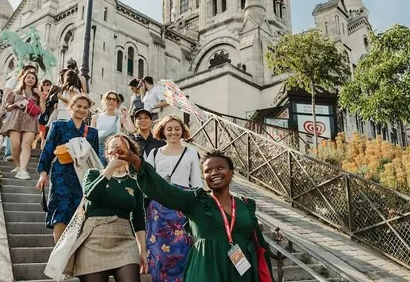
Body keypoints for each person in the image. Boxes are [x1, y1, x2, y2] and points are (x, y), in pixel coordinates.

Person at [113, 148, 274, 282]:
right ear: (203, 177)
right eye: (208, 171)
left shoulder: (246, 205)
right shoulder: (195, 200)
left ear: (231, 173)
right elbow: (164, 190)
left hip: (242, 272)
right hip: (206, 270)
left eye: (220, 168)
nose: (214, 173)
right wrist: (136, 161)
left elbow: (260, 245)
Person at [67, 135, 147, 282]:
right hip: (94, 238)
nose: (117, 150)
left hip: (125, 240)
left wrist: (143, 251)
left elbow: (138, 218)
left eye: (122, 147)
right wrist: (111, 168)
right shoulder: (93, 174)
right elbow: (91, 195)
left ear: (130, 153)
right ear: (107, 152)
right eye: (114, 147)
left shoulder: (135, 183)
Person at [37, 94, 103, 241]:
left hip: (82, 177)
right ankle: (59, 251)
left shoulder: (92, 132)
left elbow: (94, 159)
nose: (81, 109)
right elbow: (48, 150)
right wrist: (43, 173)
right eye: (78, 106)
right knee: (61, 211)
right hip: (61, 174)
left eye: (85, 107)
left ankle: (73, 251)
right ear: (71, 107)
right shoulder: (58, 126)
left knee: (79, 213)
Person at [143, 116, 201, 281]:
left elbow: (196, 183)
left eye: (177, 128)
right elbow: (148, 181)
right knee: (158, 249)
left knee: (182, 247)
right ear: (163, 131)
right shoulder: (154, 153)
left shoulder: (191, 153)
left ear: (182, 130)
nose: (173, 132)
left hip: (182, 206)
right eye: (169, 129)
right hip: (158, 207)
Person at [1, 71, 45, 180]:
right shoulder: (15, 92)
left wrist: (40, 95)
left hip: (30, 119)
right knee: (15, 145)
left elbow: (42, 110)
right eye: (28, 77)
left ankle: (23, 170)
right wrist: (15, 105)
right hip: (16, 118)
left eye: (33, 78)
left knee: (26, 144)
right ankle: (18, 165)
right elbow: (7, 108)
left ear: (36, 81)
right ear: (24, 79)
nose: (30, 79)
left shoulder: (37, 94)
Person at [94, 91, 134, 155]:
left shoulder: (120, 119)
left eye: (114, 99)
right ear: (104, 100)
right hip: (98, 149)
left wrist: (127, 115)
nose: (111, 101)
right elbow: (92, 136)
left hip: (114, 150)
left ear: (117, 103)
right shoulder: (96, 117)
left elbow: (131, 130)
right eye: (109, 99)